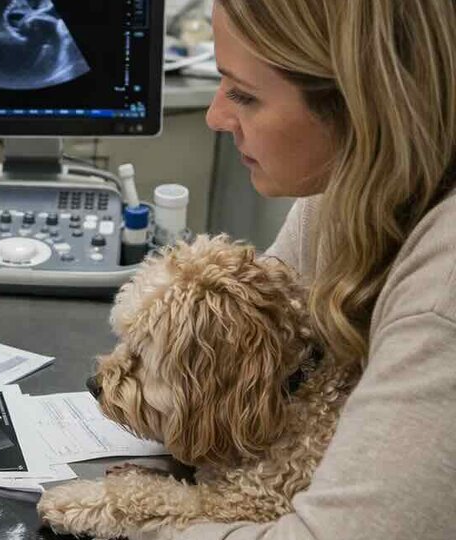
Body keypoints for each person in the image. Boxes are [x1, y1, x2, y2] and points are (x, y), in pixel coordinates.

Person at [144, 0, 456, 538]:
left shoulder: (443, 292)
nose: (216, 117)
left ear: (361, 106)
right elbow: (237, 359)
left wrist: (129, 515)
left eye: (243, 93)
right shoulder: (342, 192)